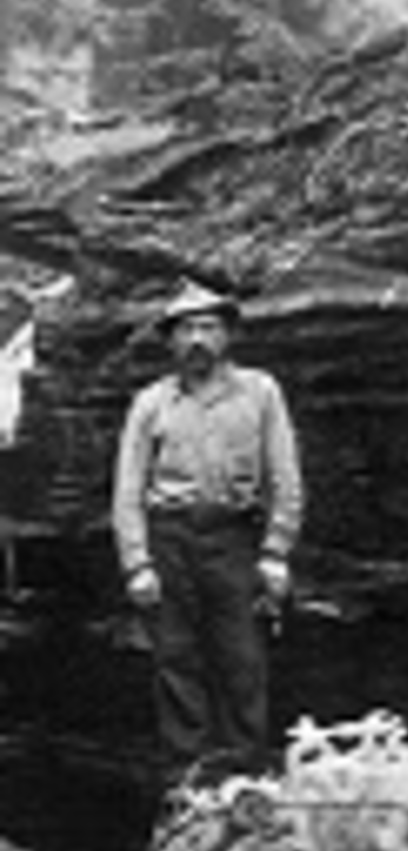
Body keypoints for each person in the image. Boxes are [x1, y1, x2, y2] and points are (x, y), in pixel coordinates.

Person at [111, 278, 307, 784]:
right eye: (186, 330)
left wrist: (276, 552)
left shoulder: (260, 392)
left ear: (228, 335)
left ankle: (246, 779)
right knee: (177, 660)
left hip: (233, 538)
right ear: (170, 341)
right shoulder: (151, 403)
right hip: (169, 539)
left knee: (243, 658)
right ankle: (188, 784)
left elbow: (284, 476)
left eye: (209, 327)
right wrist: (137, 563)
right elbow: (128, 490)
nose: (197, 339)